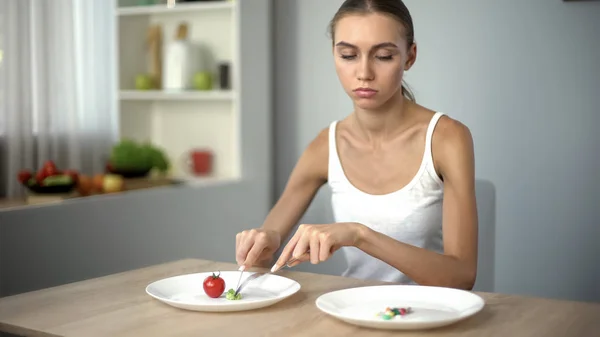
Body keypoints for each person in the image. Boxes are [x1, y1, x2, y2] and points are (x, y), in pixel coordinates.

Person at [235, 0, 478, 290]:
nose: (364, 72)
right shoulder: (326, 145)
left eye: (384, 56)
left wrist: (359, 235)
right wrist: (263, 243)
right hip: (349, 313)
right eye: (348, 55)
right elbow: (264, 255)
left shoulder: (447, 138)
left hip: (428, 321)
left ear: (409, 57)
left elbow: (462, 277)